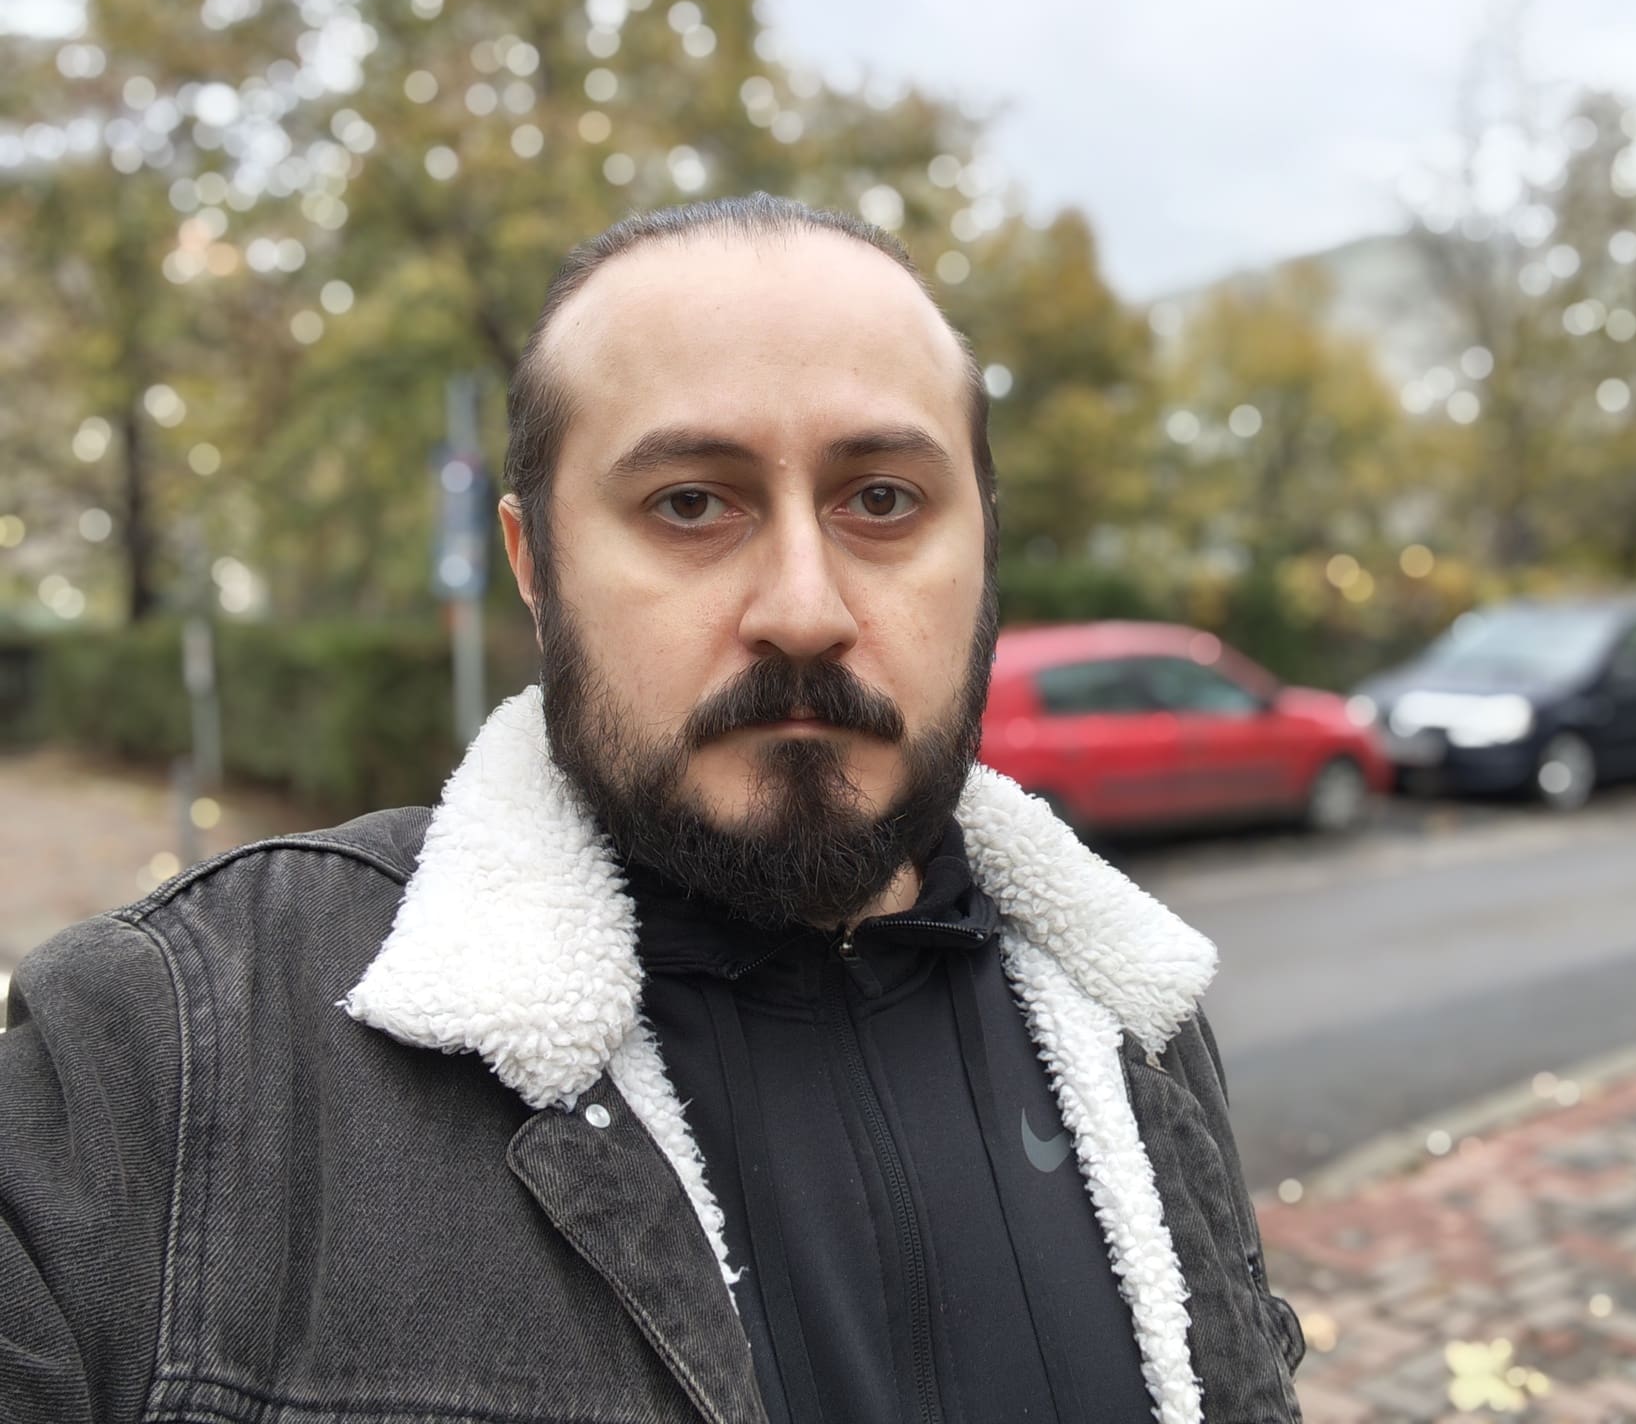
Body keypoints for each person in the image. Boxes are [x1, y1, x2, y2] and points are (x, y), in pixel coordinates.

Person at [0, 195, 1304, 1424]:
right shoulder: (184, 1054)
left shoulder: (1131, 1022)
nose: (804, 608)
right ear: (536, 563)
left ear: (983, 545)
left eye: (882, 500)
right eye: (690, 503)